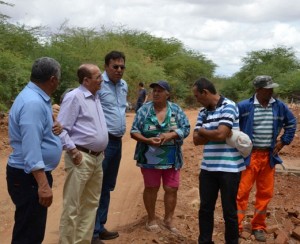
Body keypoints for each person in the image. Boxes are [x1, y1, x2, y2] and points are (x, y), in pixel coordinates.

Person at [7, 57, 63, 244]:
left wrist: (55, 128)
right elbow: (31, 147)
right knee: (29, 234)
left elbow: (37, 133)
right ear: (53, 79)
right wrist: (43, 185)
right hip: (29, 177)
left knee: (30, 228)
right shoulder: (33, 103)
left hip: (30, 175)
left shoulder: (36, 98)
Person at [236, 75, 296, 242]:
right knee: (241, 192)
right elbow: (232, 127)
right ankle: (237, 226)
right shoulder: (244, 106)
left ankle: (258, 226)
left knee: (265, 193)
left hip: (268, 156)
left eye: (272, 88)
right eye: (267, 89)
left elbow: (291, 123)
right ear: (258, 90)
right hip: (248, 156)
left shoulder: (279, 107)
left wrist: (283, 142)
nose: (271, 91)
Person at [57, 64, 108, 244]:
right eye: (98, 77)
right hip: (80, 157)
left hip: (97, 157)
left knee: (91, 204)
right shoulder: (74, 97)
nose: (101, 80)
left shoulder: (96, 97)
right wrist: (73, 150)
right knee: (72, 206)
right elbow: (61, 129)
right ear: (86, 80)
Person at [130, 80, 190, 234]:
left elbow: (186, 128)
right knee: (151, 188)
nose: (155, 93)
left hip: (172, 158)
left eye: (160, 90)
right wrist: (147, 140)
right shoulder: (144, 110)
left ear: (167, 94)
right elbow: (134, 131)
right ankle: (151, 219)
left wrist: (171, 134)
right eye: (154, 90)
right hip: (149, 158)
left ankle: (168, 220)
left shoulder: (176, 110)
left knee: (171, 188)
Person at [192, 77, 246, 244]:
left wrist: (203, 130)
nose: (197, 100)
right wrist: (213, 133)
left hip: (230, 168)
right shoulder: (203, 112)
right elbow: (195, 140)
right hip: (208, 168)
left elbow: (221, 134)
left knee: (229, 211)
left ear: (205, 92)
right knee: (205, 209)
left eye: (197, 96)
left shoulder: (229, 106)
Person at [93, 51, 128, 242]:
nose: (119, 70)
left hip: (117, 141)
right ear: (106, 66)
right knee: (96, 186)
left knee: (107, 185)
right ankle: (92, 231)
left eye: (122, 67)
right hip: (103, 142)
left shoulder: (124, 86)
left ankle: (101, 225)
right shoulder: (97, 84)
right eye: (115, 66)